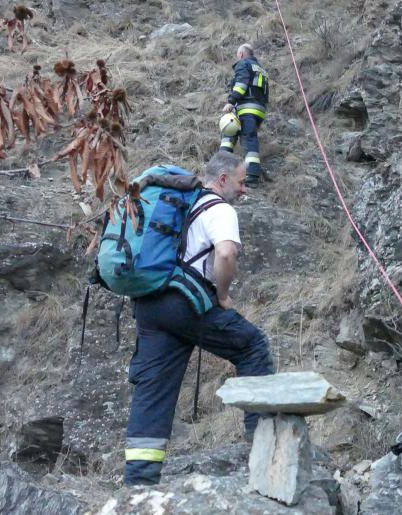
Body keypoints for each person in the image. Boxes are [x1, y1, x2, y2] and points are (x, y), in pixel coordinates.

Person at [124, 152, 273, 486]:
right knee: (252, 345)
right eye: (241, 181)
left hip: (150, 303)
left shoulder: (181, 206)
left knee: (154, 390)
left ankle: (138, 484)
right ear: (222, 180)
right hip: (185, 303)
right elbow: (225, 252)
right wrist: (221, 296)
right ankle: (263, 449)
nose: (244, 190)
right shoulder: (219, 208)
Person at [220, 43, 269, 188]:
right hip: (259, 111)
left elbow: (241, 85)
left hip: (246, 108)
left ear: (241, 54)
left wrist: (231, 101)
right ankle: (251, 174)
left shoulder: (243, 64)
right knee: (247, 137)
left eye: (237, 54)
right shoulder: (261, 70)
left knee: (229, 133)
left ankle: (226, 170)